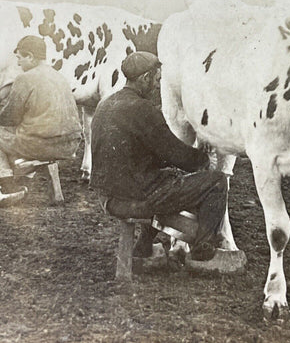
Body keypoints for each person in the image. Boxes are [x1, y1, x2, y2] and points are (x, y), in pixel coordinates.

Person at [90, 51, 228, 263]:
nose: (156, 86)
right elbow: (176, 154)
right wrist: (204, 158)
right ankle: (203, 247)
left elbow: (138, 154)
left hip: (107, 195)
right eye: (156, 79)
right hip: (133, 199)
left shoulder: (105, 104)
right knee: (216, 181)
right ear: (145, 78)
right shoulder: (143, 109)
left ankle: (144, 247)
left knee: (161, 180)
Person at [0, 35, 82, 207]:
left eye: (20, 58)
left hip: (40, 144)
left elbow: (8, 118)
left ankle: (7, 188)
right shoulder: (60, 77)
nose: (18, 64)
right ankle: (28, 178)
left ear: (31, 57)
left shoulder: (24, 78)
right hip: (70, 144)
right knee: (22, 132)